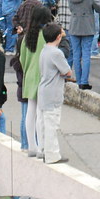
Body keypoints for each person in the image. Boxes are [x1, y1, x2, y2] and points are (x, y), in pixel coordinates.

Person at [19, 6, 53, 159]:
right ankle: (41, 148)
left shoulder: (27, 37)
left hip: (30, 76)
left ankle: (31, 146)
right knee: (41, 114)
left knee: (30, 112)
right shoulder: (46, 37)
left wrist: (27, 71)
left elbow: (22, 59)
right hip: (43, 77)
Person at [38, 22, 74, 164]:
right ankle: (52, 155)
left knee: (44, 124)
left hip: (43, 91)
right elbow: (68, 72)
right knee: (52, 125)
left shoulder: (44, 50)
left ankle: (43, 150)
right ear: (59, 36)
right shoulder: (56, 53)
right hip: (53, 93)